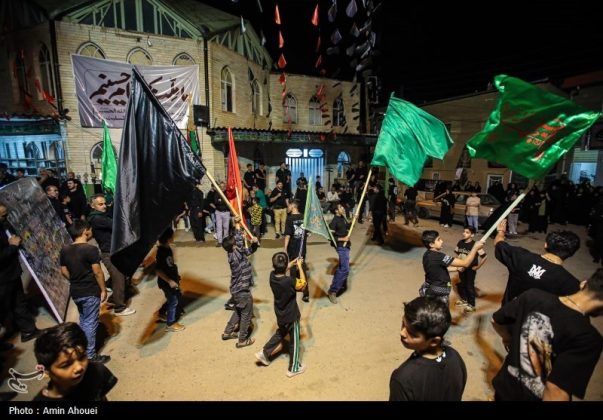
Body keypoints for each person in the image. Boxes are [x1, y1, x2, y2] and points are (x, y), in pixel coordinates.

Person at [491, 268, 603, 401]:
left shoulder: (533, 296)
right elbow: (556, 391)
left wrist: (508, 339)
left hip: (504, 389)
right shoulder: (588, 338)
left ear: (583, 283)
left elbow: (496, 320)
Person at [389, 296, 467, 401]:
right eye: (403, 324)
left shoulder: (403, 379)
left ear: (434, 341)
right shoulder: (456, 357)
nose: (402, 333)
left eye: (412, 333)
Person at [494, 220, 580, 306]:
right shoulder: (570, 283)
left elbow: (499, 243)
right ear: (571, 253)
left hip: (507, 313)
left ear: (546, 245)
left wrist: (501, 231)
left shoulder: (520, 256)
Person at [60, 220, 110, 363]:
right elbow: (98, 272)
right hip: (89, 290)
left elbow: (63, 271)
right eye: (90, 229)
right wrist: (103, 289)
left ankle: (81, 348)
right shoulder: (91, 249)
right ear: (85, 231)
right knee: (90, 323)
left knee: (83, 320)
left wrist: (75, 280)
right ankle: (90, 355)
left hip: (76, 291)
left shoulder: (65, 249)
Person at [33, 323, 117, 401]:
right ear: (45, 370)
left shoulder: (96, 371)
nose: (79, 367)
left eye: (82, 357)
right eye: (66, 365)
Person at [255, 252, 306, 378]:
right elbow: (303, 284)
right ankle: (294, 367)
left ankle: (265, 353)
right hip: (291, 316)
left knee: (281, 332)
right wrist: (299, 266)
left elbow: (281, 270)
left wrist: (292, 263)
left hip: (280, 313)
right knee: (295, 341)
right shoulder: (290, 281)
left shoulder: (272, 276)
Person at [88, 194, 135, 316]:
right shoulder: (97, 218)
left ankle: (113, 299)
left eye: (105, 203)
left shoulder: (101, 215)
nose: (104, 206)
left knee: (123, 275)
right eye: (100, 204)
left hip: (114, 251)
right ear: (92, 206)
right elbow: (118, 225)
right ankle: (119, 307)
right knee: (119, 278)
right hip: (109, 253)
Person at [0, 204, 41, 343]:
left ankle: (28, 330)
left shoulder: (4, 225)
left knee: (18, 302)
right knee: (5, 308)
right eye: (3, 216)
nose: (5, 218)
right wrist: (12, 246)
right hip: (3, 278)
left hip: (11, 273)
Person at [221, 217, 258, 348]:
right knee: (246, 315)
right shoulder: (236, 255)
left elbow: (247, 250)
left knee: (237, 311)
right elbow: (239, 240)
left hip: (236, 291)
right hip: (242, 292)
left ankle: (227, 332)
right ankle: (242, 340)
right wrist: (236, 224)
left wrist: (254, 243)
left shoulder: (233, 253)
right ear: (234, 246)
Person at [420, 230, 483, 304]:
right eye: (438, 239)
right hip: (439, 289)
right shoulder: (439, 257)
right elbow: (465, 263)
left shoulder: (427, 254)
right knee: (440, 312)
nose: (442, 241)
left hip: (430, 287)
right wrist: (475, 248)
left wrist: (456, 268)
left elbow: (439, 269)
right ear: (431, 244)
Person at [155, 228, 185, 332]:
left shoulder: (167, 248)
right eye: (172, 236)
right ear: (168, 238)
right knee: (173, 300)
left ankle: (162, 313)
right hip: (166, 282)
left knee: (175, 297)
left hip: (172, 279)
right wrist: (169, 281)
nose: (173, 238)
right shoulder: (161, 252)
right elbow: (158, 270)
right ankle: (171, 323)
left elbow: (171, 264)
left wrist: (176, 277)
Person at [454, 226, 487, 313]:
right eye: (464, 231)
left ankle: (472, 305)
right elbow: (457, 255)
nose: (464, 233)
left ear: (472, 235)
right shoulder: (460, 242)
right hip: (461, 268)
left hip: (470, 270)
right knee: (462, 284)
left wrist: (477, 267)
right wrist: (457, 265)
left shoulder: (475, 245)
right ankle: (464, 300)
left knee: (469, 286)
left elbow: (484, 257)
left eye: (467, 232)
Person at [284, 200, 309, 302]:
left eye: (289, 205)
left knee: (293, 270)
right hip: (302, 247)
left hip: (293, 248)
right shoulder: (304, 217)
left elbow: (288, 235)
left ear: (293, 206)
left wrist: (285, 248)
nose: (288, 207)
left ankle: (292, 292)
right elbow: (307, 233)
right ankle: (306, 293)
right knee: (302, 267)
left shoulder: (290, 219)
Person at [327, 204, 351, 303]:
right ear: (336, 211)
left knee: (342, 268)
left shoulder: (342, 218)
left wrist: (354, 219)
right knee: (345, 269)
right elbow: (330, 238)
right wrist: (343, 239)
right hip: (341, 247)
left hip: (347, 246)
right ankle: (333, 291)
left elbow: (347, 227)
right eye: (341, 207)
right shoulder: (334, 221)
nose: (343, 208)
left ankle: (337, 283)